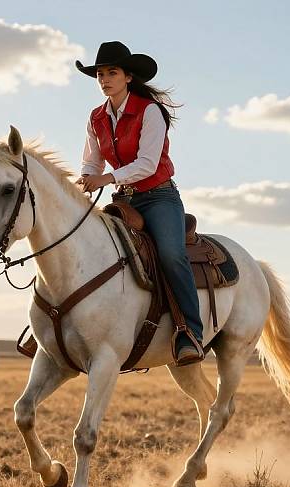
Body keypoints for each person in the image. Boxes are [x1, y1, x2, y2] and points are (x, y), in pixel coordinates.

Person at [75, 41, 204, 366]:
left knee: (172, 255)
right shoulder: (96, 118)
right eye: (100, 74)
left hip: (158, 197)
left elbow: (147, 163)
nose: (104, 79)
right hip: (124, 200)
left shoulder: (150, 111)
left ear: (128, 77)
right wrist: (86, 180)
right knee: (88, 248)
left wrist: (105, 179)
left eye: (112, 73)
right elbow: (92, 162)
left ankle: (190, 332)